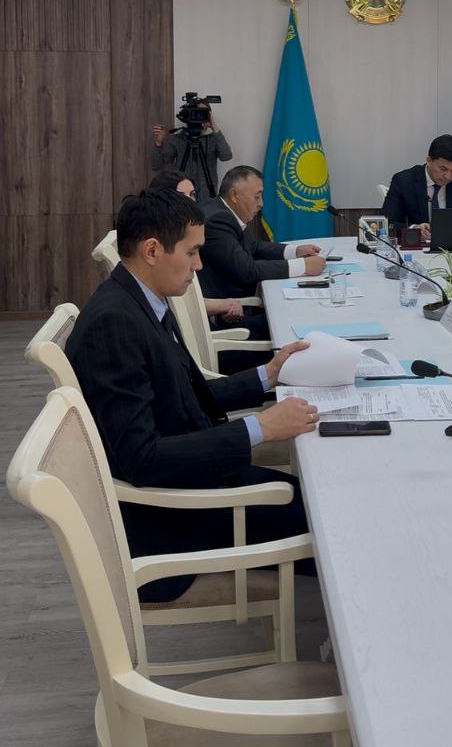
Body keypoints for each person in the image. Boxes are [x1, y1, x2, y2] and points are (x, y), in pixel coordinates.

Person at [65, 188, 317, 601]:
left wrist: (268, 375)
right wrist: (260, 428)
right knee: (332, 518)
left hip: (198, 481)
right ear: (152, 250)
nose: (199, 266)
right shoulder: (114, 325)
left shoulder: (141, 300)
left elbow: (185, 394)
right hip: (176, 515)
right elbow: (141, 459)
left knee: (321, 499)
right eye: (192, 252)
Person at [200, 165, 326, 300]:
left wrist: (295, 251)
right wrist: (303, 266)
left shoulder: (222, 211)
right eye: (257, 197)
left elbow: (255, 247)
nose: (261, 204)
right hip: (231, 307)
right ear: (234, 195)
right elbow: (247, 271)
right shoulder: (217, 220)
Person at [149, 168, 245, 326]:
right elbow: (178, 304)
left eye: (192, 195)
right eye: (182, 196)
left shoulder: (191, 232)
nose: (190, 202)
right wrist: (226, 305)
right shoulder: (162, 242)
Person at [382, 134, 452, 242]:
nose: (448, 176)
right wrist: (414, 229)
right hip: (418, 246)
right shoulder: (404, 181)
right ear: (429, 161)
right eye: (443, 169)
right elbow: (387, 224)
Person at [151, 103, 232, 204]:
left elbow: (226, 156)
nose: (199, 117)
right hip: (182, 196)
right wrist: (158, 143)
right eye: (196, 112)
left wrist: (213, 126)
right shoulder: (178, 139)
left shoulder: (213, 139)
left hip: (207, 197)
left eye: (203, 113)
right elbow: (157, 165)